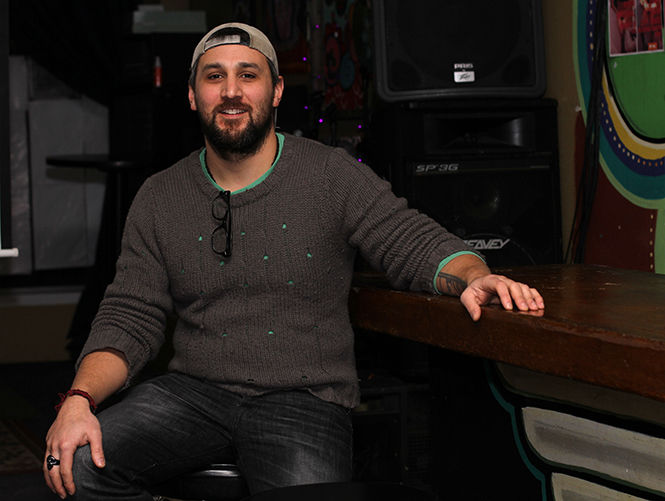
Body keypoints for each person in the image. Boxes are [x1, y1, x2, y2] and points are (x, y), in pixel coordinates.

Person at [43, 22, 544, 500]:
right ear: (193, 95)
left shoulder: (330, 175)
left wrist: (473, 275)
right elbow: (129, 316)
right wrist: (78, 403)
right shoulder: (160, 195)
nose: (232, 91)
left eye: (249, 75)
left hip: (304, 399)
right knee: (77, 464)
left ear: (276, 91)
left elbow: (406, 236)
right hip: (192, 394)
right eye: (214, 76)